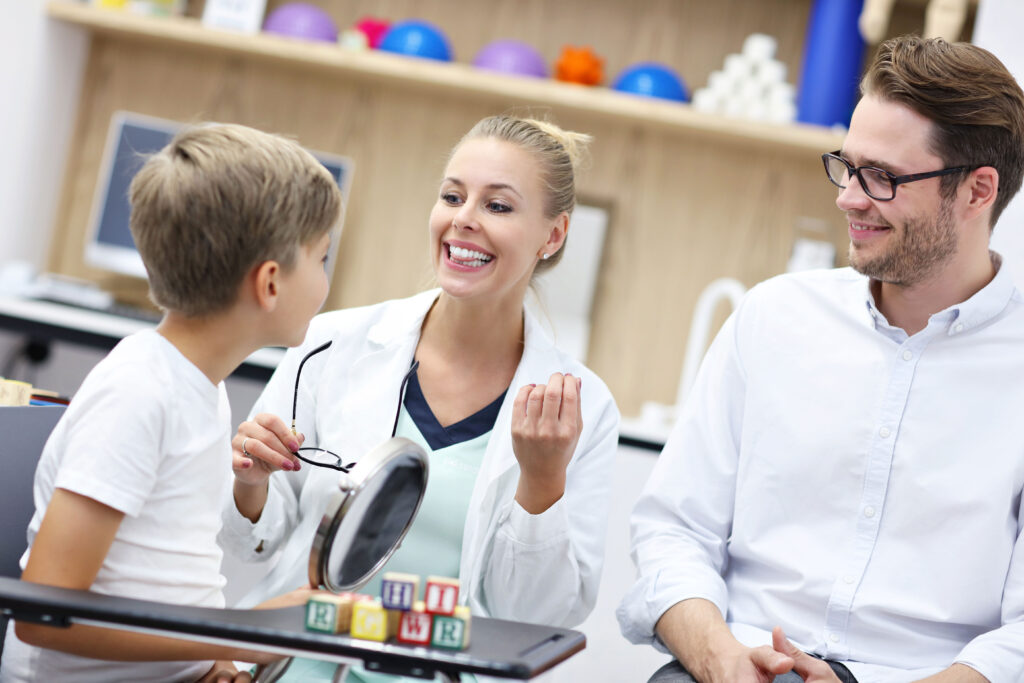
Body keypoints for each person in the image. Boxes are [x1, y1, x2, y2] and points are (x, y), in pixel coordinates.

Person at [617, 35, 1024, 683]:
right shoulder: (774, 317)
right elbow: (673, 529)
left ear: (977, 192)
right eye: (847, 165)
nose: (849, 198)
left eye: (883, 177)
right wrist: (719, 657)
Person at [219, 115, 620, 680]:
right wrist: (250, 480)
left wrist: (543, 482)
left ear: (553, 235)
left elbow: (534, 617)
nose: (463, 219)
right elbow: (250, 543)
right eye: (452, 196)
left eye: (497, 206)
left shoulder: (582, 409)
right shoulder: (331, 345)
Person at [0, 123, 344, 683]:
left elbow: (165, 576)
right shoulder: (140, 393)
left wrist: (212, 659)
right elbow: (43, 615)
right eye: (322, 259)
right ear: (270, 283)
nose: (327, 281)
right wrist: (241, 634)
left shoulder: (196, 387)